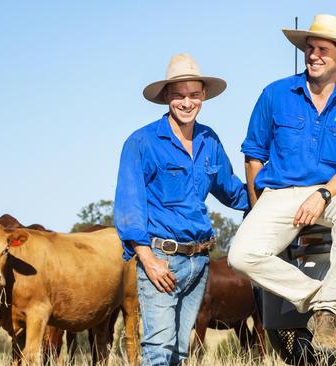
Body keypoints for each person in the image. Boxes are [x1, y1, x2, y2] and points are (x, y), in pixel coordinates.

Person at [228, 14, 336, 351]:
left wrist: (323, 195)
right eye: (310, 48)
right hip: (279, 194)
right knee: (240, 255)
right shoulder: (276, 93)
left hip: (331, 191)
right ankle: (320, 300)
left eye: (323, 49)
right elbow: (253, 154)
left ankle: (330, 310)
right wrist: (257, 206)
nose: (314, 55)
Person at [114, 53, 249, 365]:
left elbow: (231, 191)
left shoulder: (209, 140)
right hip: (163, 260)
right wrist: (148, 260)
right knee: (158, 350)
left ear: (202, 96)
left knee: (178, 352)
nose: (187, 103)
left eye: (194, 95)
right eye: (179, 96)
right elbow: (128, 206)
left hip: (198, 263)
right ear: (166, 97)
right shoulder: (142, 142)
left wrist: (271, 193)